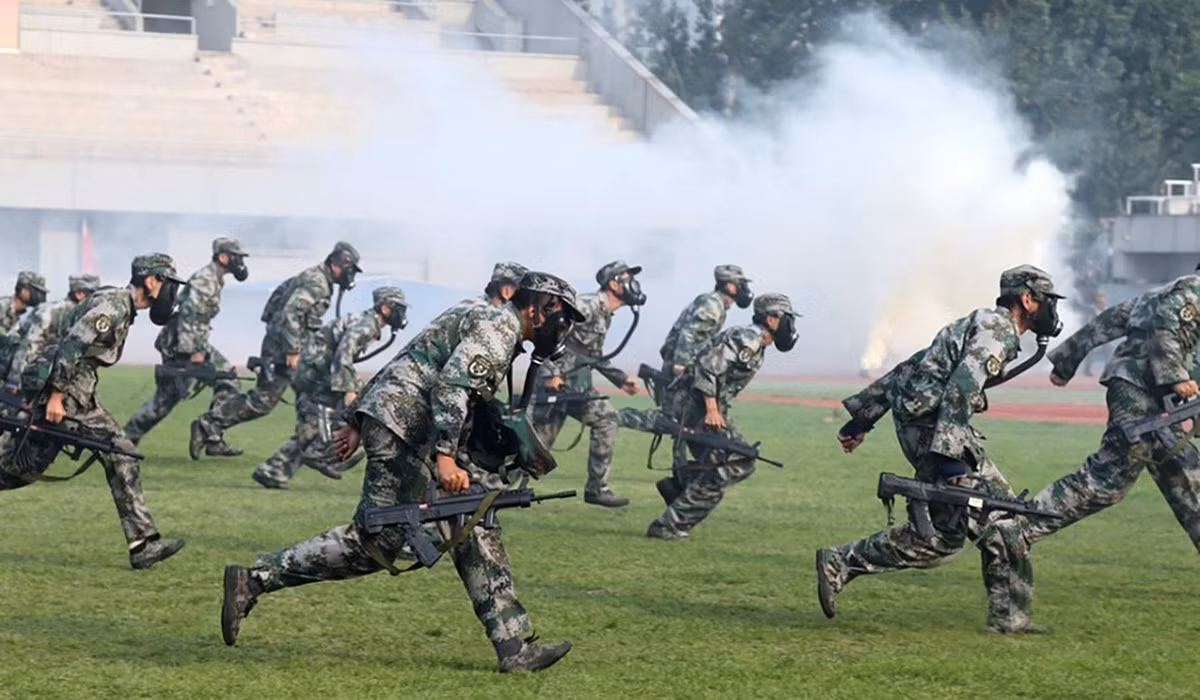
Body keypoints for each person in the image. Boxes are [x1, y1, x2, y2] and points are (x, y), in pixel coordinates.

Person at [219, 271, 584, 673]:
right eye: (563, 315)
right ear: (538, 308)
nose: (564, 326)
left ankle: (512, 646)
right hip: (407, 428)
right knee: (377, 540)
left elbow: (409, 355)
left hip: (400, 423)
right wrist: (446, 456)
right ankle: (254, 579)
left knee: (472, 517)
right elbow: (451, 388)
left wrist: (359, 420)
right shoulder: (499, 330)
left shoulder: (480, 314)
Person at [814, 265, 1064, 634]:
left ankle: (1010, 617)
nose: (1051, 312)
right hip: (938, 435)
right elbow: (960, 390)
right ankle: (841, 561)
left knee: (955, 536)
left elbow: (910, 369)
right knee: (995, 524)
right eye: (1047, 302)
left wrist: (861, 420)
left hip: (932, 429)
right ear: (1027, 300)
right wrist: (951, 466)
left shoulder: (981, 322)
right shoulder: (998, 332)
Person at [991, 272, 1200, 569]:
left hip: (1146, 395)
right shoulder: (1193, 290)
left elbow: (1110, 320)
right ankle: (1017, 528)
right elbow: (1165, 326)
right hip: (1140, 392)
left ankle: (1018, 528)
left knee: (1189, 477)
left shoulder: (1166, 289)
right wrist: (1176, 377)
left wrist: (1067, 360)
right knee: (1107, 480)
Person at [0, 254, 188, 569]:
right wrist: (57, 396)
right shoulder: (113, 307)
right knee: (23, 467)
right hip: (69, 393)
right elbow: (72, 345)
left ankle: (142, 543)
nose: (170, 291)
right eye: (168, 282)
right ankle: (142, 544)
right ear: (151, 280)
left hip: (80, 392)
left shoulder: (119, 304)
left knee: (23, 467)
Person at [646, 293, 798, 540]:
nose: (790, 326)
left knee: (735, 461)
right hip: (696, 409)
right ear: (771, 319)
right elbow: (708, 368)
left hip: (704, 409)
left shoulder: (754, 343)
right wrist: (712, 410)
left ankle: (682, 483)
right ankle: (670, 522)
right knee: (734, 464)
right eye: (787, 318)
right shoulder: (748, 340)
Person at [189, 241, 361, 460]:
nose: (350, 275)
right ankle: (208, 426)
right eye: (350, 269)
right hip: (285, 349)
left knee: (306, 396)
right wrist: (292, 350)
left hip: (287, 346)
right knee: (264, 400)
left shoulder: (318, 279)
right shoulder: (317, 282)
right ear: (338, 264)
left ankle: (309, 454)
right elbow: (291, 312)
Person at [252, 286, 409, 489]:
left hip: (315, 372)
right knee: (352, 414)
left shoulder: (369, 323)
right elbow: (343, 355)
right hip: (315, 375)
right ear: (385, 308)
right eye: (398, 308)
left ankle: (274, 470)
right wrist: (349, 390)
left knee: (313, 427)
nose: (401, 314)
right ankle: (321, 455)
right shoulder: (367, 325)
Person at [533, 260, 645, 508]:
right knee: (533, 453)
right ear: (613, 283)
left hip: (575, 387)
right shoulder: (587, 304)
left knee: (607, 419)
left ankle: (597, 488)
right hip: (553, 385)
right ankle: (478, 486)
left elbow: (592, 353)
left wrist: (620, 379)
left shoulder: (605, 314)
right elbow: (547, 329)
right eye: (627, 278)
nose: (633, 284)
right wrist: (551, 372)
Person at [124, 237, 250, 452]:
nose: (239, 261)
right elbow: (190, 318)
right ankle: (125, 439)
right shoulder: (206, 280)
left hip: (194, 342)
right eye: (235, 256)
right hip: (182, 345)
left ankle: (211, 435)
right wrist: (194, 352)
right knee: (168, 397)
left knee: (228, 378)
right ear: (222, 257)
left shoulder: (214, 279)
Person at [618, 264, 752, 432]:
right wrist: (680, 366)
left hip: (687, 367)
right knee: (674, 421)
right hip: (682, 369)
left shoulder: (714, 303)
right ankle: (616, 418)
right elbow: (690, 334)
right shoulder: (713, 305)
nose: (745, 289)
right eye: (741, 284)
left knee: (683, 422)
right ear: (730, 286)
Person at [2, 273, 101, 393]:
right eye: (93, 295)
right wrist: (14, 379)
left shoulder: (80, 315)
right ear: (79, 294)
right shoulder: (53, 312)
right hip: (12, 361)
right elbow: (29, 345)